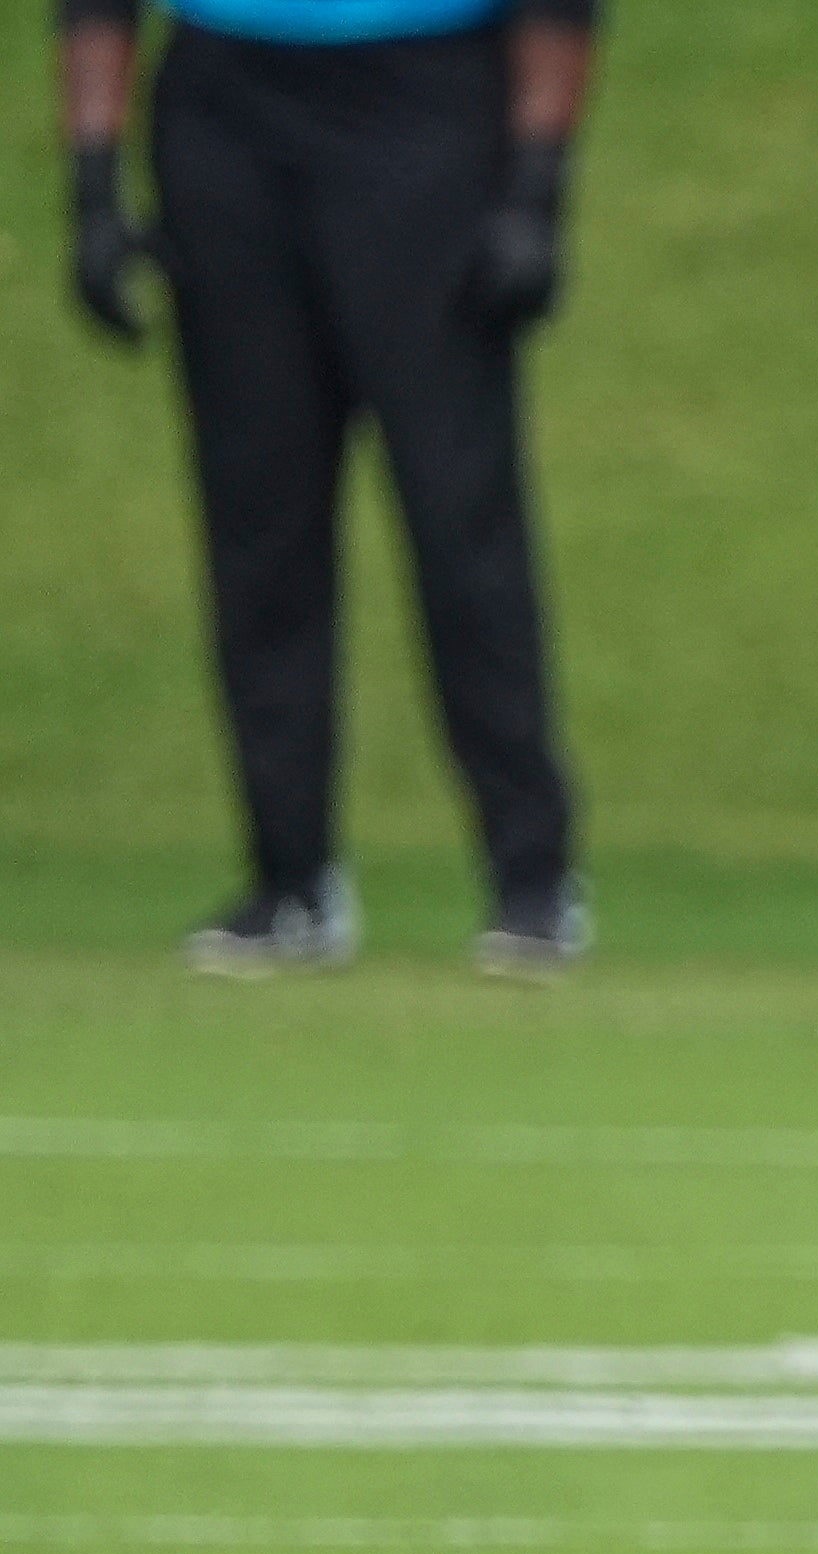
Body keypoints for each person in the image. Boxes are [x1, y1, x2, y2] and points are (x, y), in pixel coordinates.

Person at [58, 0, 597, 979]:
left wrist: (536, 185)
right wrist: (93, 184)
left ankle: (532, 875)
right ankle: (290, 878)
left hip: (427, 101)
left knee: (456, 506)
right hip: (226, 106)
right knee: (259, 516)